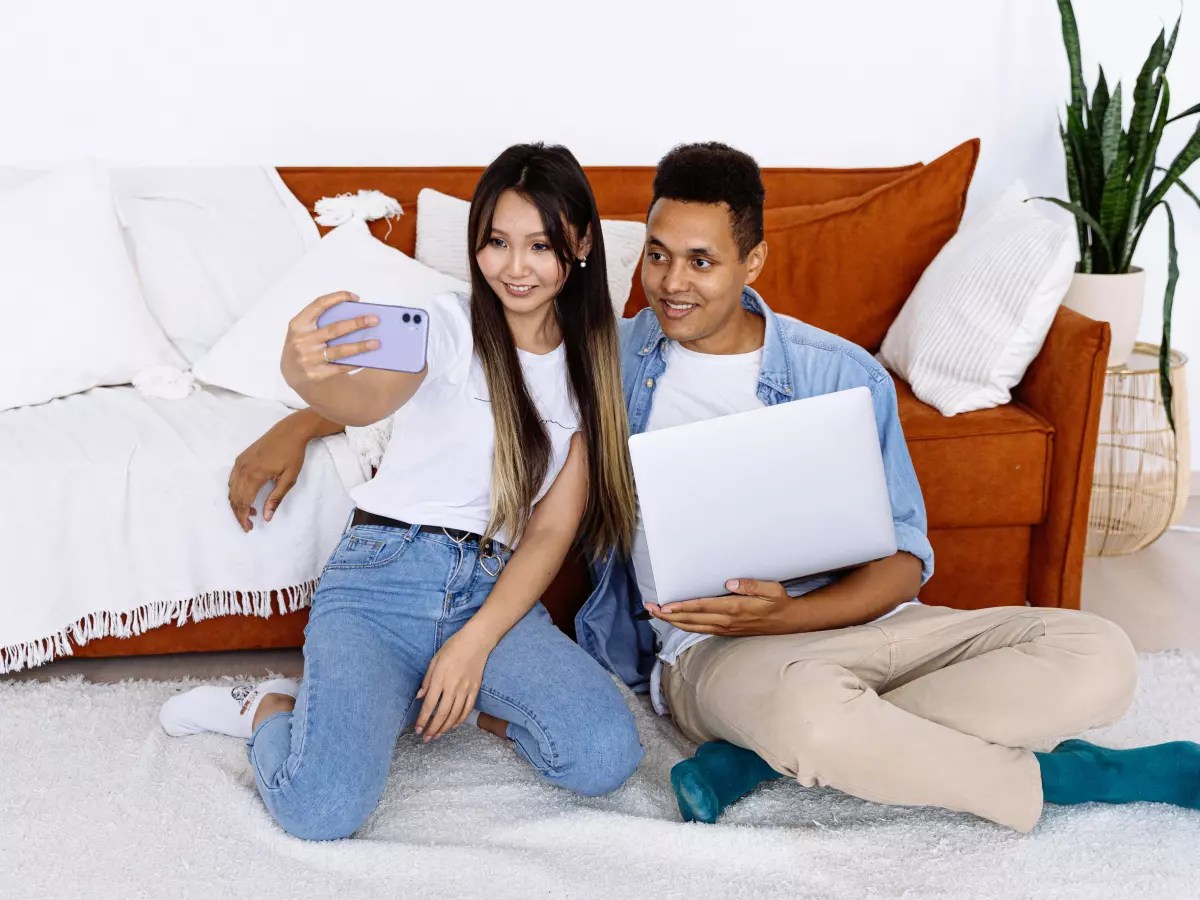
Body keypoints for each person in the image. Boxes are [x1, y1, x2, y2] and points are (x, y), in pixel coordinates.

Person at [226, 142, 1200, 834]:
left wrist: (798, 612)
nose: (670, 281)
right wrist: (303, 394)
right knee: (810, 716)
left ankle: (774, 755)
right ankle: (1056, 784)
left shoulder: (826, 373)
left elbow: (907, 557)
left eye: (700, 260)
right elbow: (399, 371)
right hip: (702, 649)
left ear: (753, 262)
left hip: (845, 625)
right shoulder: (562, 353)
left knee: (1100, 654)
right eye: (655, 254)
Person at [159, 143, 644, 841]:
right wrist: (308, 381)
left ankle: (456, 700)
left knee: (605, 755)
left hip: (489, 588)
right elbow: (370, 399)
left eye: (541, 245)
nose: (515, 267)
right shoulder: (446, 325)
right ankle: (268, 709)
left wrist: (473, 644)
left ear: (582, 243)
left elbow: (548, 534)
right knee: (319, 809)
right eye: (497, 243)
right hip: (380, 583)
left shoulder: (592, 369)